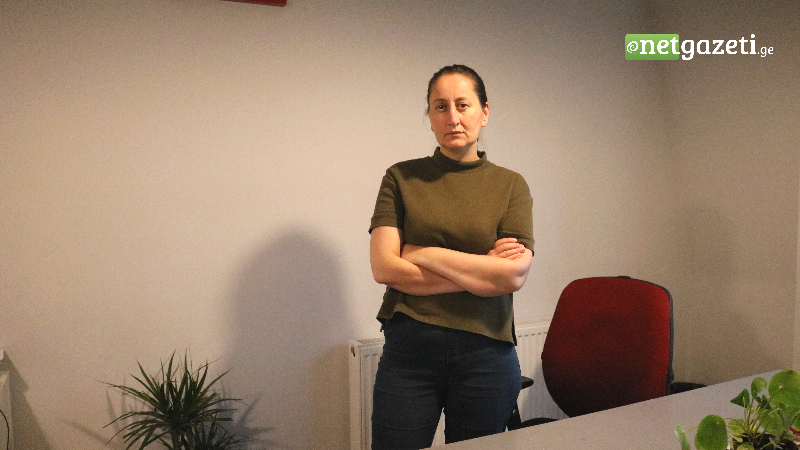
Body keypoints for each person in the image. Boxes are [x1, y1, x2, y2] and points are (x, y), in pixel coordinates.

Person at [368, 64, 534, 449]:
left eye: (463, 104)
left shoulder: (510, 184)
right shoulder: (400, 178)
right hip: (410, 353)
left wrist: (420, 252)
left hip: (486, 354)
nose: (453, 117)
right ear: (429, 117)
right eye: (440, 107)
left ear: (484, 112)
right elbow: (384, 267)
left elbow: (512, 276)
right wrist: (482, 273)